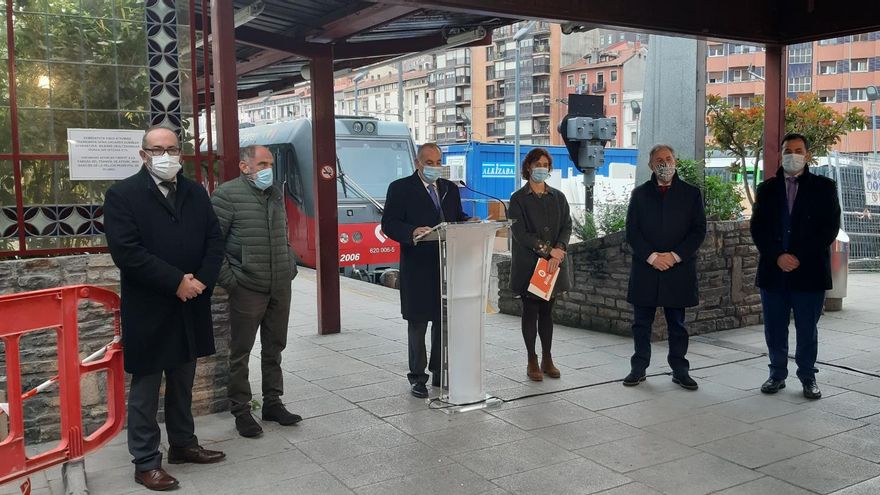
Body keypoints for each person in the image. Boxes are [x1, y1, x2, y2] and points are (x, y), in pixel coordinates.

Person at [103, 125, 226, 491]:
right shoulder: (122, 195)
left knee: (183, 380)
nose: (165, 155)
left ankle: (184, 444)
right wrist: (176, 281)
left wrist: (200, 280)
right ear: (143, 155)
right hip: (150, 306)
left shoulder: (194, 192)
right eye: (157, 150)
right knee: (146, 388)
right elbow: (127, 252)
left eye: (171, 148)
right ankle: (145, 461)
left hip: (191, 303)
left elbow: (214, 239)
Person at [211, 144, 301, 438]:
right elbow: (213, 244)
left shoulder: (274, 194)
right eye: (262, 164)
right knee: (241, 352)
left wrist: (289, 266)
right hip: (247, 287)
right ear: (244, 166)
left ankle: (273, 402)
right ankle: (241, 410)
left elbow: (282, 233)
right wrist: (233, 281)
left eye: (270, 164)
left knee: (275, 347)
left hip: (279, 285)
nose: (268, 170)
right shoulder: (227, 195)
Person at [750, 133, 841, 400]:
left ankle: (808, 377)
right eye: (788, 150)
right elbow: (758, 228)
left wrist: (797, 255)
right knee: (775, 327)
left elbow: (829, 229)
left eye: (798, 150)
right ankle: (776, 374)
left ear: (808, 155)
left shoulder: (824, 187)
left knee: (807, 328)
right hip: (774, 272)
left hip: (809, 272)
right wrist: (778, 255)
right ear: (781, 154)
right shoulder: (766, 189)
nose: (792, 154)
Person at [381, 142, 470, 398]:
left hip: (445, 265)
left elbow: (455, 217)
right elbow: (389, 223)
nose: (434, 167)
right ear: (417, 163)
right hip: (417, 265)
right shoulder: (400, 189)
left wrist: (468, 222)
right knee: (418, 323)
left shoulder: (449, 189)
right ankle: (418, 377)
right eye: (429, 162)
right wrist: (411, 232)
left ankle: (440, 372)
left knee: (443, 323)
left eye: (438, 162)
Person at [623, 144, 706, 390]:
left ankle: (680, 369)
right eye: (658, 160)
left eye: (668, 158)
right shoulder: (639, 194)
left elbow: (698, 230)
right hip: (646, 268)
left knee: (677, 325)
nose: (664, 163)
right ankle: (638, 368)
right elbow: (632, 231)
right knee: (641, 324)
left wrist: (674, 256)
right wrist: (651, 256)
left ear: (675, 161)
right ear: (651, 165)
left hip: (677, 269)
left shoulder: (691, 194)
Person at [508, 148, 572, 381]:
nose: (541, 168)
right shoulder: (517, 199)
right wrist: (547, 251)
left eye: (545, 164)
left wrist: (559, 250)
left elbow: (567, 225)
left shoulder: (558, 197)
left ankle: (547, 358)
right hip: (529, 264)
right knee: (531, 311)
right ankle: (531, 359)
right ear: (528, 168)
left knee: (548, 312)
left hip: (553, 265)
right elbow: (520, 233)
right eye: (537, 164)